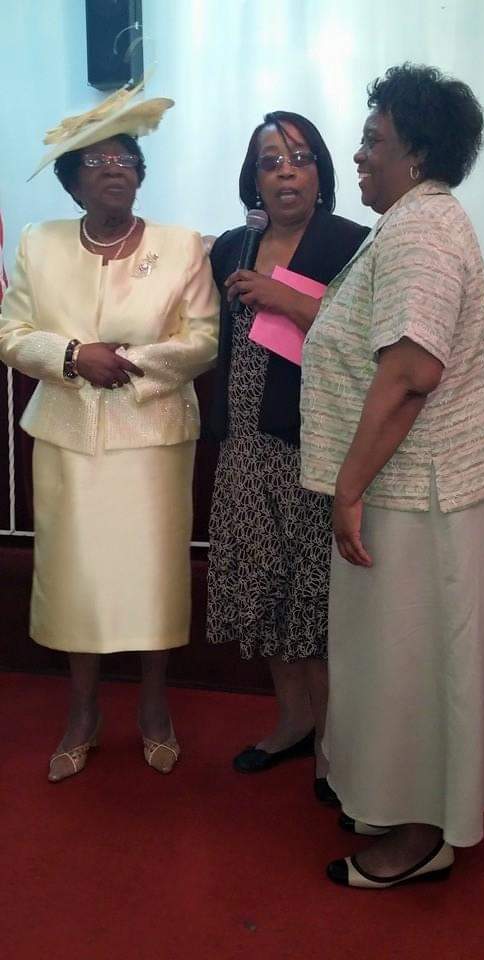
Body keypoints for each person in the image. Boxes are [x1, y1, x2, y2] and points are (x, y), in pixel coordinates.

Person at [301, 64, 484, 886]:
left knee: (412, 664)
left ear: (418, 154)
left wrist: (349, 489)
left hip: (428, 491)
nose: (358, 154)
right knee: (401, 659)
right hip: (420, 484)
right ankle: (402, 803)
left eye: (374, 140)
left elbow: (410, 371)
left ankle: (422, 833)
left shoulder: (421, 229)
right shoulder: (410, 221)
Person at [0, 83, 218, 781]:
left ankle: (154, 708)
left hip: (153, 439)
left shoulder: (182, 247)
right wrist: (71, 357)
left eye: (125, 157)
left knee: (152, 579)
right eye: (95, 160)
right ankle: (83, 712)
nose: (114, 168)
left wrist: (124, 364)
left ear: (140, 173)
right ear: (72, 181)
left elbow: (204, 339)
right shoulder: (39, 243)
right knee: (76, 580)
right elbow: (11, 334)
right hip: (69, 439)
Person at [206, 111, 368, 800]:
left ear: (321, 171)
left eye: (299, 157)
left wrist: (287, 299)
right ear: (254, 179)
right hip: (244, 447)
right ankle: (294, 722)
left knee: (314, 603)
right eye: (270, 161)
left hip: (314, 448)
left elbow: (366, 340)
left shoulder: (350, 244)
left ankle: (333, 746)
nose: (286, 172)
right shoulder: (231, 247)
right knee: (264, 592)